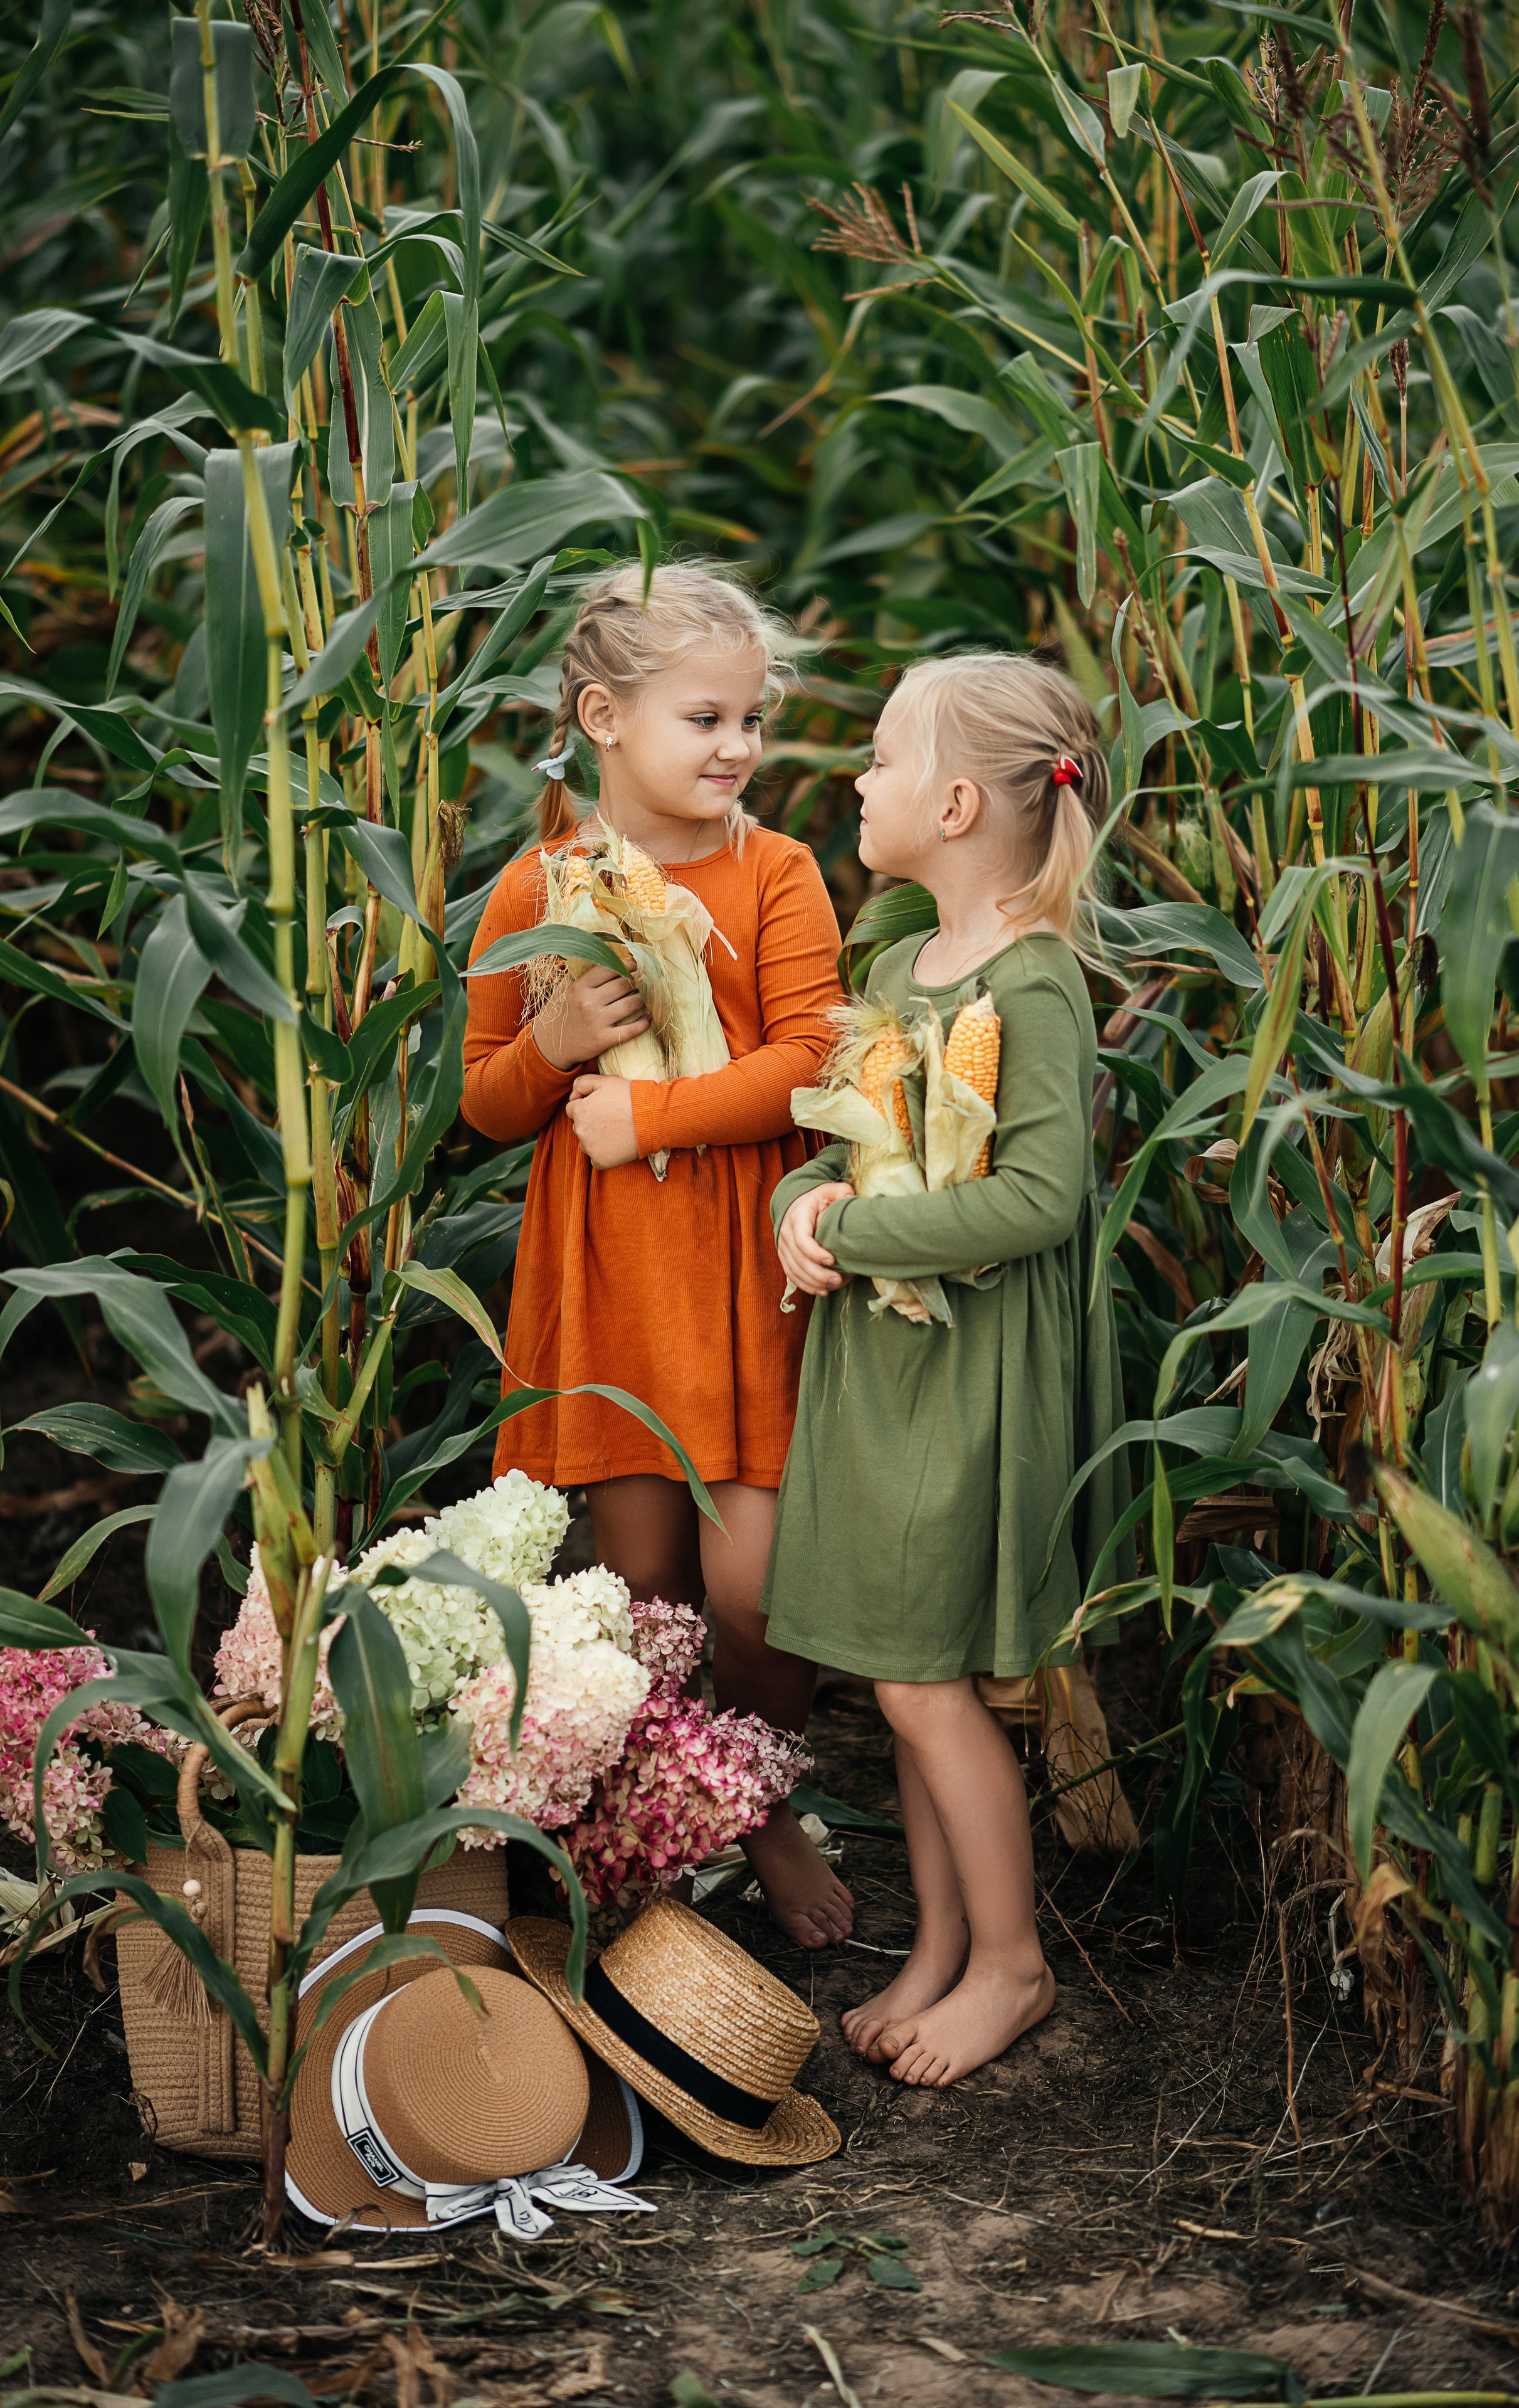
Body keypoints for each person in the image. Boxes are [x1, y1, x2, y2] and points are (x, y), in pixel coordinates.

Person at [463, 562, 854, 1948]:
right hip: (617, 1281)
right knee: (651, 1597)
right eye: (706, 718)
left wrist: (651, 1113)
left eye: (752, 721)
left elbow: (815, 1058)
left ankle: (761, 1801)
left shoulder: (776, 872)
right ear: (602, 717)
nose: (738, 749)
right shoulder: (534, 887)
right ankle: (705, 1825)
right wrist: (557, 1049)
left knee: (757, 1593)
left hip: (744, 1272)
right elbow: (486, 1100)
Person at [763, 652, 1133, 2084]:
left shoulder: (1032, 984)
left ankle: (1013, 1965)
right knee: (899, 1672)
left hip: (971, 1382)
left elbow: (1038, 1201)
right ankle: (937, 1949)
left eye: (876, 756)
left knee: (933, 1690)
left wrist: (853, 1228)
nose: (855, 778)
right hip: (880, 1372)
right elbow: (836, 1145)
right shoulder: (890, 968)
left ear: (961, 800)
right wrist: (798, 1212)